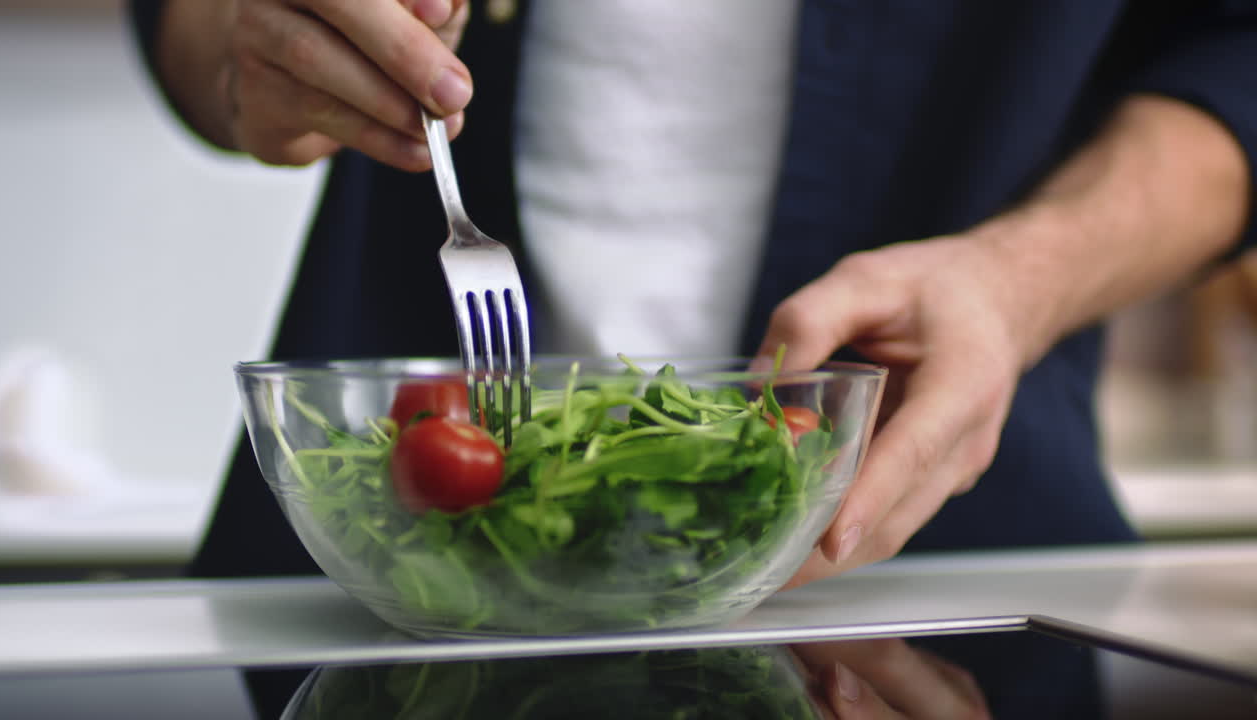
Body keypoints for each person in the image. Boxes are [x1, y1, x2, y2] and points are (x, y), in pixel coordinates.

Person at [127, 0, 1255, 715]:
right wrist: (246, 39)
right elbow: (188, 27)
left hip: (928, 566)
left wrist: (1022, 277)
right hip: (382, 573)